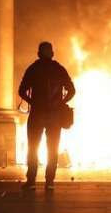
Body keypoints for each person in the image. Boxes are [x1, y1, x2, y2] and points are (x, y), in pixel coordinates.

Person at [18, 41, 76, 190]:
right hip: (55, 116)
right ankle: (50, 182)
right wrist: (61, 102)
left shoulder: (33, 69)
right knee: (52, 149)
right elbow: (72, 90)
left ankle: (31, 181)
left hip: (37, 114)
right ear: (52, 53)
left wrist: (33, 102)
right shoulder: (59, 69)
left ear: (38, 53)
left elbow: (21, 91)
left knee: (33, 148)